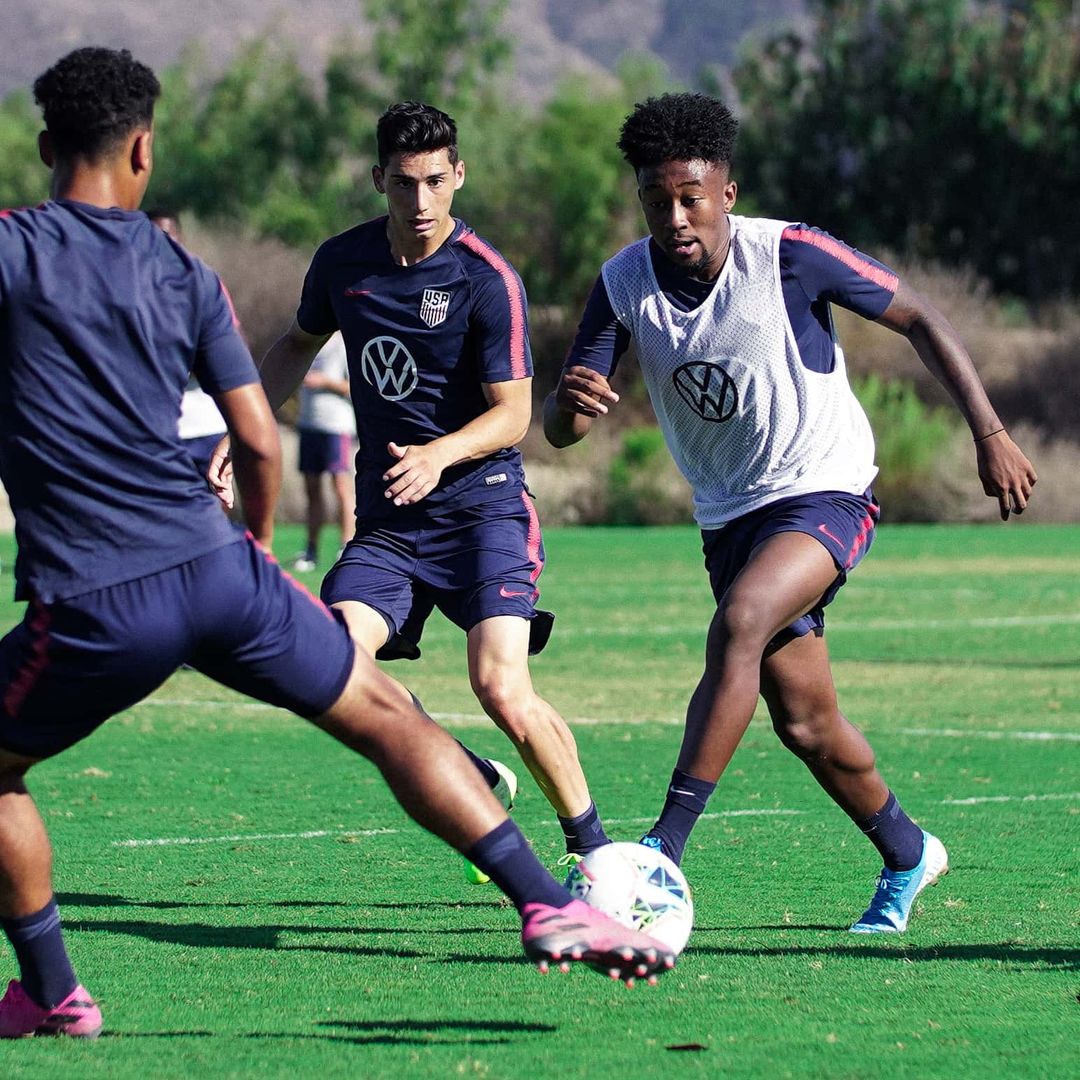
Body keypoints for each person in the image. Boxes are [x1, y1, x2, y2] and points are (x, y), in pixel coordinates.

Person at [0, 49, 674, 1040]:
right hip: (229, 571)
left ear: (48, 146)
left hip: (105, 591)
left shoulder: (13, 248)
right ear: (143, 149)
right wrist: (258, 551)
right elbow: (262, 440)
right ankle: (545, 901)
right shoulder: (182, 268)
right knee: (391, 720)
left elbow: (499, 413)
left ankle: (55, 992)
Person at [544, 92, 1038, 934]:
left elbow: (919, 314)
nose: (675, 216)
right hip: (728, 517)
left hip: (826, 489)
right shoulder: (622, 282)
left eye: (691, 197)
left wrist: (989, 431)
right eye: (657, 200)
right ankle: (909, 852)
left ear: (726, 192)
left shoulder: (789, 255)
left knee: (742, 622)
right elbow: (561, 430)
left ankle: (663, 852)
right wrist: (568, 403)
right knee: (806, 724)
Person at [257, 102, 611, 881]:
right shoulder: (343, 263)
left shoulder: (488, 279)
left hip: (482, 505)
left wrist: (438, 454)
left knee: (499, 684)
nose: (420, 203)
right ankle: (465, 770)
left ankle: (594, 851)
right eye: (404, 183)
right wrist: (235, 427)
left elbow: (515, 413)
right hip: (389, 522)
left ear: (459, 177)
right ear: (378, 178)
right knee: (333, 664)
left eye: (435, 182)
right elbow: (295, 345)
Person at [146, 208, 231, 481]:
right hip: (155, 430)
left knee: (215, 514)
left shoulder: (204, 285)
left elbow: (228, 352)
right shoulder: (128, 291)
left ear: (180, 237)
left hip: (205, 424)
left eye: (168, 236)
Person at [291, 332, 357, 572]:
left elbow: (357, 386)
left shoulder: (343, 345)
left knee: (341, 487)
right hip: (308, 425)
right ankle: (311, 551)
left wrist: (326, 382)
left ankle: (346, 548)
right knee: (312, 490)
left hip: (336, 426)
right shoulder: (309, 344)